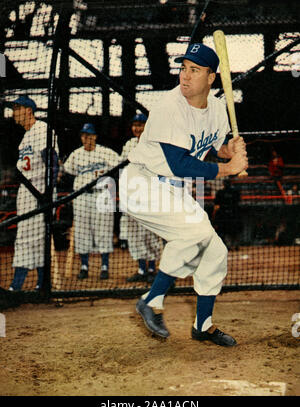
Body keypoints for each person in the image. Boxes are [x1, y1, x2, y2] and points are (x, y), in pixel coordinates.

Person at [119, 43, 248, 346]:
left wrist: (233, 151)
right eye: (183, 68)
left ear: (211, 78)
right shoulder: (169, 106)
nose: (185, 76)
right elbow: (180, 163)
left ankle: (202, 325)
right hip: (142, 183)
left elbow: (218, 148)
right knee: (193, 233)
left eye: (194, 70)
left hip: (172, 189)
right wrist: (229, 169)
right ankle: (151, 300)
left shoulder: (217, 108)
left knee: (214, 251)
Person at [8, 95, 59, 291]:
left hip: (39, 193)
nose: (14, 113)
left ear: (28, 110)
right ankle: (41, 284)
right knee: (34, 238)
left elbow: (52, 163)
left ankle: (17, 286)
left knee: (29, 238)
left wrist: (47, 192)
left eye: (17, 109)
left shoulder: (41, 130)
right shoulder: (26, 136)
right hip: (28, 193)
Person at [64, 123, 119, 280]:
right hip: (82, 196)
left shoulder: (105, 152)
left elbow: (121, 163)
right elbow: (68, 170)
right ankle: (84, 266)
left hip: (101, 195)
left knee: (104, 231)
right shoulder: (76, 154)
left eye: (89, 135)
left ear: (95, 136)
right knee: (82, 232)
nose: (86, 138)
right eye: (83, 135)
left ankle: (104, 266)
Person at [119, 114, 163, 284]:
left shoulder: (154, 143)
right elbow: (122, 168)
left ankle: (152, 268)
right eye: (134, 125)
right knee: (133, 233)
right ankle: (141, 268)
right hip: (131, 194)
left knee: (149, 231)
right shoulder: (129, 145)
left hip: (149, 193)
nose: (137, 128)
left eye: (140, 125)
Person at [212, 178, 242, 250]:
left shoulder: (221, 192)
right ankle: (234, 245)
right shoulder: (235, 192)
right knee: (232, 230)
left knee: (225, 230)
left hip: (224, 214)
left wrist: (214, 214)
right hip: (233, 214)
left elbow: (216, 205)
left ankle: (230, 245)